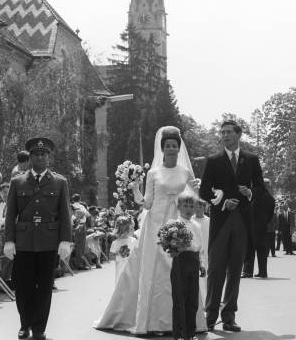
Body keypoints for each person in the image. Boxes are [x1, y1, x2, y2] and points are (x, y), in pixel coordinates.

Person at [94, 126, 206, 335]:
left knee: (180, 269)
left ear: (178, 148)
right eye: (168, 146)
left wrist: (202, 194)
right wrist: (135, 188)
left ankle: (183, 321)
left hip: (179, 222)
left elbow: (193, 196)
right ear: (162, 148)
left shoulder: (185, 172)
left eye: (174, 146)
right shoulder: (153, 173)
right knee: (156, 271)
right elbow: (147, 203)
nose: (171, 149)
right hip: (155, 223)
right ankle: (153, 322)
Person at [199, 120, 266, 332]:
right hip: (221, 221)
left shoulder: (252, 160)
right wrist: (222, 201)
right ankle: (210, 316)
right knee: (216, 269)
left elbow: (261, 189)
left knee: (236, 270)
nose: (224, 135)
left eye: (228, 132)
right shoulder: (214, 160)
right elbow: (204, 191)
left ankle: (229, 316)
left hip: (243, 222)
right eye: (222, 132)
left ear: (239, 135)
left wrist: (250, 192)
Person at [3, 137, 72, 340]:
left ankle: (39, 328)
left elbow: (65, 213)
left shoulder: (60, 182)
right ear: (30, 157)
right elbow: (10, 214)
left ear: (49, 157)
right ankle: (25, 324)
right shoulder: (18, 182)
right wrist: (9, 240)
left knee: (44, 287)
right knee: (23, 286)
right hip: (23, 242)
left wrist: (65, 240)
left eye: (43, 154)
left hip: (48, 242)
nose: (40, 157)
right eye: (36, 154)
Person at [171, 190, 207, 340]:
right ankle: (179, 334)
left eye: (191, 206)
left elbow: (201, 248)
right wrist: (173, 249)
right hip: (180, 262)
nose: (188, 209)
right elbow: (167, 245)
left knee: (192, 301)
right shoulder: (173, 224)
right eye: (185, 205)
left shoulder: (197, 226)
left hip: (193, 262)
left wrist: (202, 264)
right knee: (180, 299)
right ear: (179, 206)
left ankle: (190, 334)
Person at [242, 177, 275, 278]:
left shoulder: (253, 195)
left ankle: (248, 271)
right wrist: (264, 222)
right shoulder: (270, 198)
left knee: (249, 249)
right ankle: (263, 272)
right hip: (263, 227)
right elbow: (270, 215)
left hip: (251, 225)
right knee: (262, 251)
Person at [109, 215, 136, 282]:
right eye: (132, 229)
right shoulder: (115, 243)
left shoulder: (133, 240)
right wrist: (119, 254)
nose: (134, 230)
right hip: (121, 270)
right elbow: (110, 257)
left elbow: (137, 253)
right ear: (125, 231)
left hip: (132, 269)